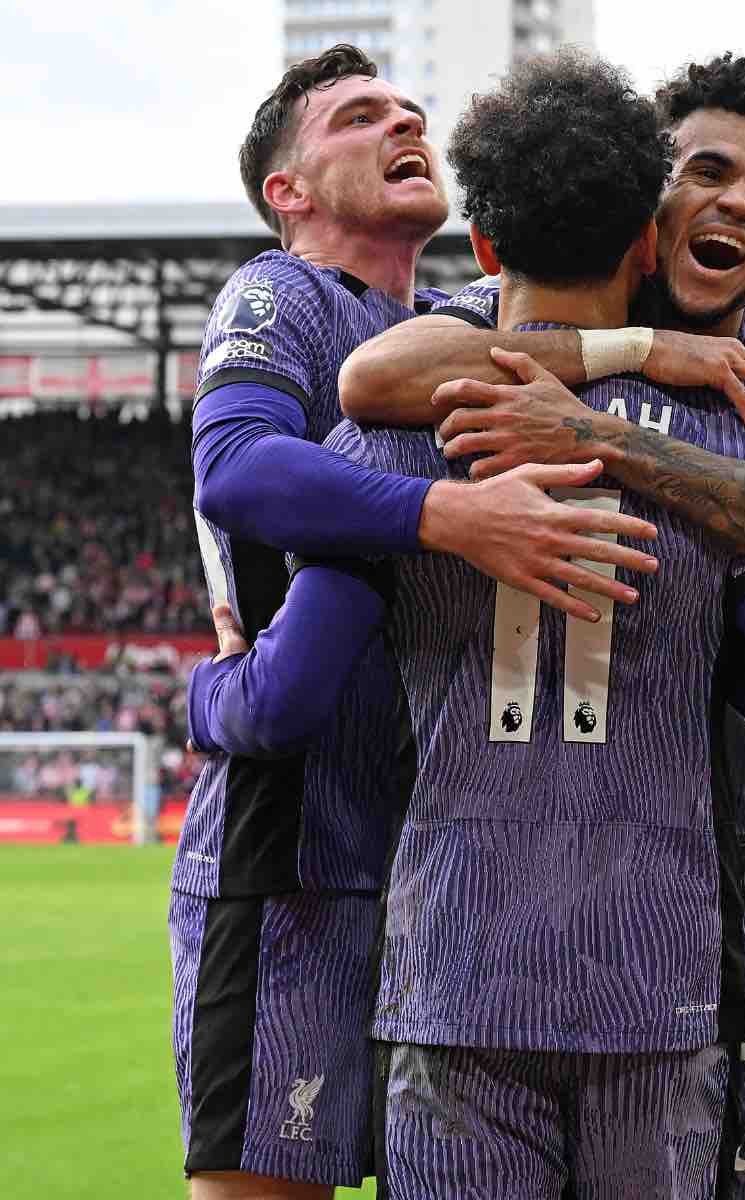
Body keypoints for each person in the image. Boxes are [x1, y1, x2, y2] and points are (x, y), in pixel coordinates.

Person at [192, 51, 745, 1197]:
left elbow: (293, 686)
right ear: (643, 247)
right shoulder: (736, 439)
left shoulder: (402, 435)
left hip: (451, 979)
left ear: (488, 250)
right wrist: (699, 645)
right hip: (658, 980)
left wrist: (205, 688)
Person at [170, 44, 662, 1200]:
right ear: (286, 191)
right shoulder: (277, 293)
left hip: (428, 867)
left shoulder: (450, 327)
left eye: (408, 109)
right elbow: (235, 471)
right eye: (355, 117)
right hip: (288, 846)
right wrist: (445, 512)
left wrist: (659, 344)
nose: (401, 124)